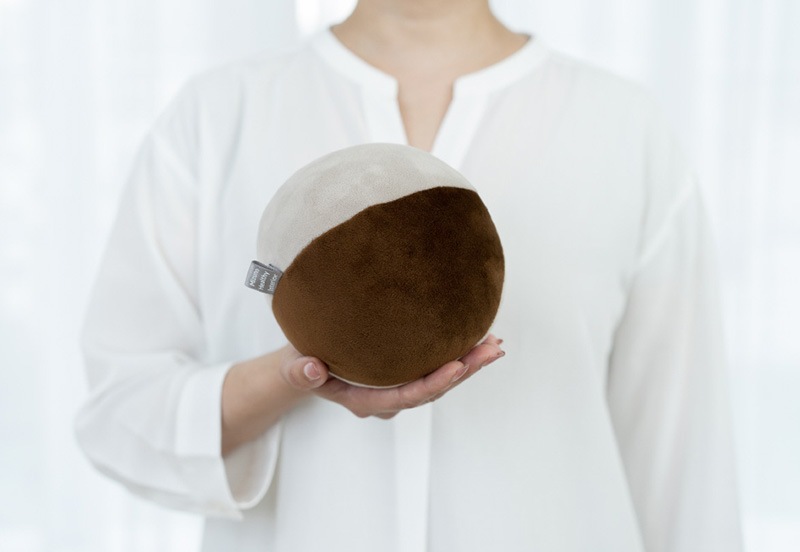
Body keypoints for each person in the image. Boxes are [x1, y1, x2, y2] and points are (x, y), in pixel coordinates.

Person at [75, 1, 743, 551]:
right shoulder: (218, 114)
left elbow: (683, 455)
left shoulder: (624, 128)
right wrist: (288, 378)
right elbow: (120, 414)